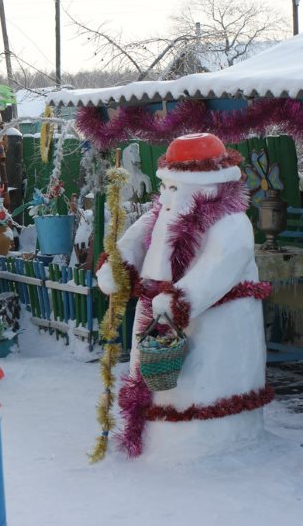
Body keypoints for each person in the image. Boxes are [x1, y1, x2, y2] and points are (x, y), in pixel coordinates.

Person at [96, 133, 272, 460]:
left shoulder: (231, 223)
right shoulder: (163, 212)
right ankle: (153, 440)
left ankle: (206, 444)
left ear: (203, 186)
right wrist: (117, 268)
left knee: (200, 386)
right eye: (165, 186)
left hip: (213, 326)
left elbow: (220, 266)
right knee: (156, 385)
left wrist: (182, 298)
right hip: (156, 316)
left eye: (174, 188)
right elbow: (135, 242)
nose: (165, 195)